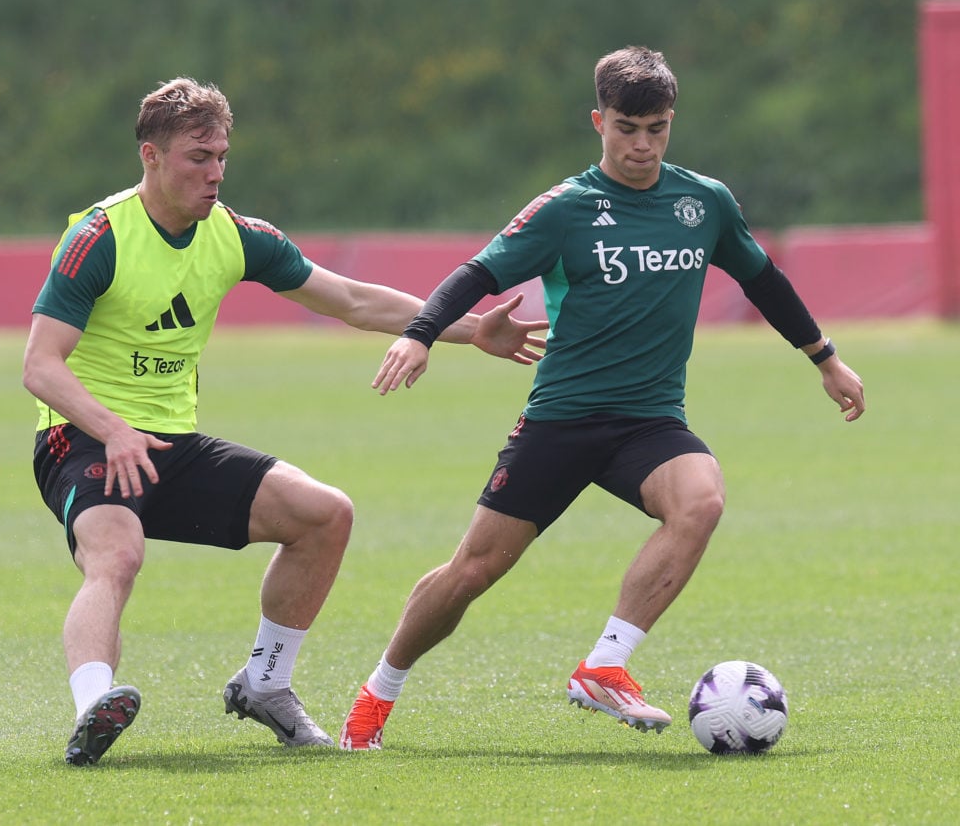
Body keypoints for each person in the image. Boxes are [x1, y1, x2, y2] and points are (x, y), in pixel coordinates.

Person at [339, 46, 866, 750]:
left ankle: (605, 667)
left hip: (649, 422)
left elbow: (763, 280)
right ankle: (377, 695)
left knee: (701, 500)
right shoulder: (566, 209)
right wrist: (420, 334)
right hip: (560, 421)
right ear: (599, 122)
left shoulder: (701, 203)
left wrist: (825, 360)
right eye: (627, 128)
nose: (642, 144)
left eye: (657, 128)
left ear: (671, 123)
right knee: (474, 571)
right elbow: (479, 272)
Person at [22, 77, 547, 767]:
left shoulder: (236, 236)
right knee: (116, 556)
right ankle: (95, 705)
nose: (214, 174)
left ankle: (265, 684)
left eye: (221, 157)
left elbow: (354, 300)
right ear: (150, 156)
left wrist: (471, 327)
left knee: (324, 515)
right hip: (82, 436)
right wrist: (113, 428)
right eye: (196, 158)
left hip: (170, 445)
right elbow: (41, 364)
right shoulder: (99, 238)